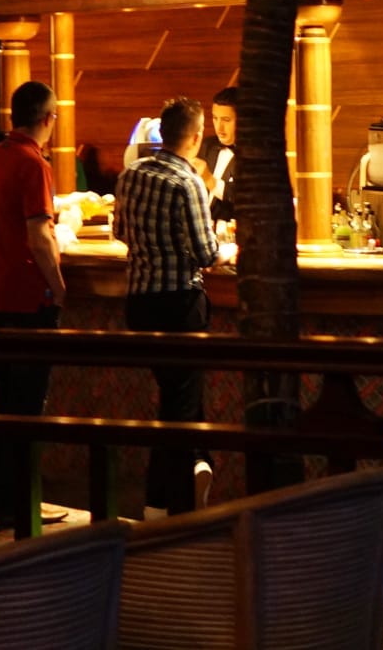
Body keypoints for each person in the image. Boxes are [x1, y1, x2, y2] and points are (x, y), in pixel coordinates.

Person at [116, 96, 222, 518]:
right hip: (180, 303)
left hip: (139, 303)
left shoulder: (131, 174)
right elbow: (206, 253)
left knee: (177, 398)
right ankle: (167, 502)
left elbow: (120, 232)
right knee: (180, 406)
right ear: (195, 136)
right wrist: (229, 251)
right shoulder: (187, 182)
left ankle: (192, 474)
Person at [0, 80, 68, 529]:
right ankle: (21, 503)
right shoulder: (33, 163)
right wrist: (59, 286)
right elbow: (39, 235)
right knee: (25, 408)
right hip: (27, 297)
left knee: (3, 403)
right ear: (47, 118)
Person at [194, 86, 238, 222]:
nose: (219, 127)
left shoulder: (252, 155)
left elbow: (243, 197)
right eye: (215, 118)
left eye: (226, 120)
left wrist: (209, 179)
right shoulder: (207, 146)